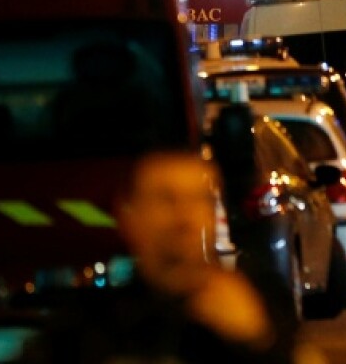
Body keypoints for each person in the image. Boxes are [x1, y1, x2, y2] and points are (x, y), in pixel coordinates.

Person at [22, 150, 296, 364]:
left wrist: (255, 341)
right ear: (129, 213)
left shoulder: (260, 305)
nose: (184, 217)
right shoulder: (87, 329)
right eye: (166, 199)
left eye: (199, 199)